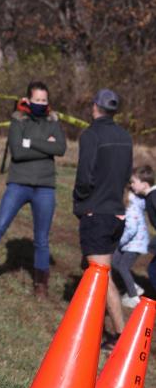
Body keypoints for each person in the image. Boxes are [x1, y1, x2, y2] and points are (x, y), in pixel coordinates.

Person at [0, 81, 66, 297]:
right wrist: (45, 146)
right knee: (0, 225)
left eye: (44, 100)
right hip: (18, 183)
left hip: (45, 187)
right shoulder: (18, 119)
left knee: (42, 239)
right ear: (28, 100)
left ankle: (41, 284)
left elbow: (60, 148)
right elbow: (17, 152)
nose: (41, 103)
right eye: (37, 100)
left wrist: (30, 142)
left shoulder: (53, 120)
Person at [72, 88, 133, 351]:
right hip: (117, 214)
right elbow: (126, 174)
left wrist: (81, 202)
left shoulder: (91, 135)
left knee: (101, 276)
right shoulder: (125, 136)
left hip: (96, 213)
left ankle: (120, 336)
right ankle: (91, 326)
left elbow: (84, 177)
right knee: (96, 272)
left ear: (95, 107)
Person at [111, 170, 149, 308]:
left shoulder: (131, 206)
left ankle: (134, 296)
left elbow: (131, 229)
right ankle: (132, 286)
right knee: (114, 261)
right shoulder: (132, 202)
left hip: (135, 243)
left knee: (123, 266)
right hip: (131, 242)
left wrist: (120, 242)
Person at [129, 164, 156, 293]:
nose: (131, 185)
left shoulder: (154, 197)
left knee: (153, 270)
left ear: (145, 184)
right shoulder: (149, 196)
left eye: (134, 182)